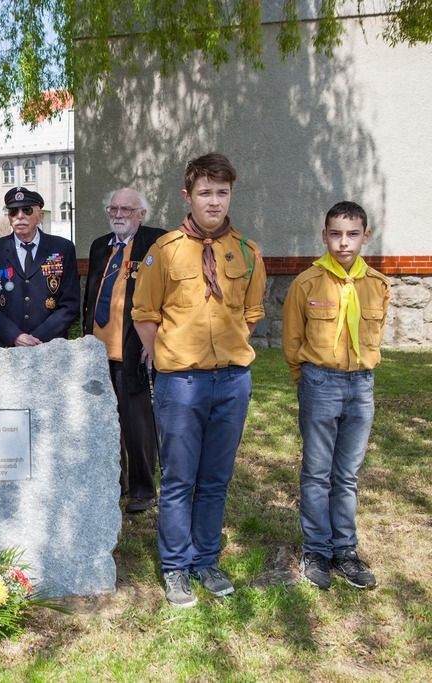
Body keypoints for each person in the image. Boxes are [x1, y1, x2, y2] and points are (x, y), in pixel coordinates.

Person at [131, 153, 266, 608]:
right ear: (188, 196)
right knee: (179, 478)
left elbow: (250, 315)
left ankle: (206, 558)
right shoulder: (163, 252)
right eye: (205, 192)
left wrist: (224, 353)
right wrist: (168, 357)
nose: (214, 201)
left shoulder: (247, 253)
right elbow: (145, 316)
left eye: (222, 193)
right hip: (181, 384)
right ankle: (175, 566)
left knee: (215, 478)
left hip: (232, 382)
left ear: (231, 196)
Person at [283, 201, 389, 591]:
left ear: (365, 236)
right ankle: (316, 550)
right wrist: (306, 378)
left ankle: (345, 550)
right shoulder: (306, 283)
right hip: (320, 383)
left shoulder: (378, 285)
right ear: (324, 235)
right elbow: (292, 340)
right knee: (316, 472)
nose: (343, 242)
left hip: (361, 386)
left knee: (346, 475)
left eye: (352, 234)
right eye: (335, 233)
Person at [83, 187, 166, 514]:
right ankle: (113, 483)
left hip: (134, 348)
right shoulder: (99, 246)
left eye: (126, 210)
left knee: (137, 424)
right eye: (113, 209)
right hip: (98, 351)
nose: (118, 215)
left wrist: (156, 338)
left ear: (141, 214)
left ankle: (143, 489)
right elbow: (93, 294)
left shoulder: (155, 243)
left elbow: (168, 294)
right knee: (104, 424)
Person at [0, 187, 80, 347]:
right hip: (6, 347)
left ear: (40, 216)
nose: (20, 216)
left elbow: (70, 304)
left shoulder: (62, 248)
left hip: (49, 346)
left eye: (27, 210)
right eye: (13, 212)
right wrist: (15, 336)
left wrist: (37, 338)